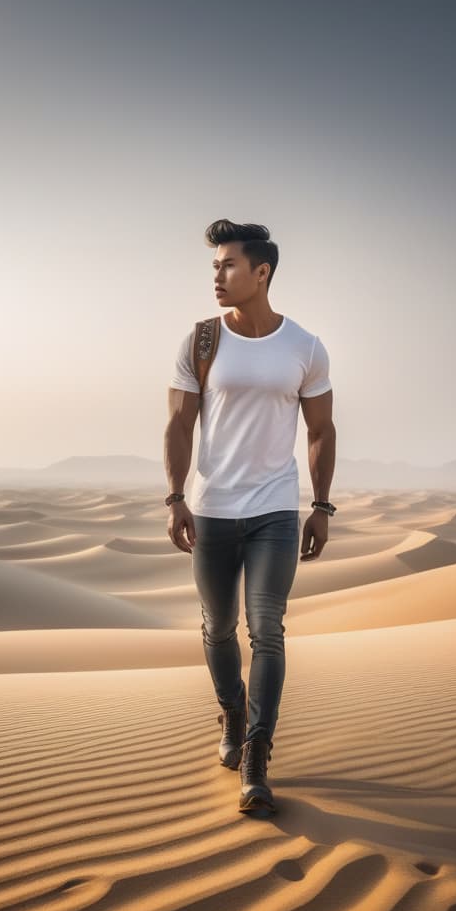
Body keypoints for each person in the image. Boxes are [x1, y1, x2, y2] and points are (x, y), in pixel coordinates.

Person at [164, 218, 336, 814]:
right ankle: (233, 716)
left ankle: (258, 756)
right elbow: (179, 423)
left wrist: (321, 505)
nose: (217, 274)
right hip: (212, 510)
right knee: (216, 628)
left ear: (261, 273)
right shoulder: (201, 341)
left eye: (228, 264)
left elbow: (320, 431)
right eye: (214, 265)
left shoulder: (305, 347)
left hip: (274, 512)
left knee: (267, 628)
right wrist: (174, 496)